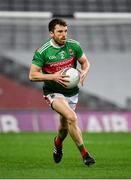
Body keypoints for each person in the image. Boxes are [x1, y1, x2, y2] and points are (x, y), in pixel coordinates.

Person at [29, 18, 95, 166]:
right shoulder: (43, 52)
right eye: (60, 31)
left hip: (72, 92)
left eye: (65, 31)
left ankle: (58, 144)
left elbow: (85, 62)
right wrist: (53, 76)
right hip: (53, 92)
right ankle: (85, 155)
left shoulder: (73, 46)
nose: (64, 34)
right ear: (51, 33)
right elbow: (32, 75)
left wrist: (85, 71)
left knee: (65, 126)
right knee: (72, 117)